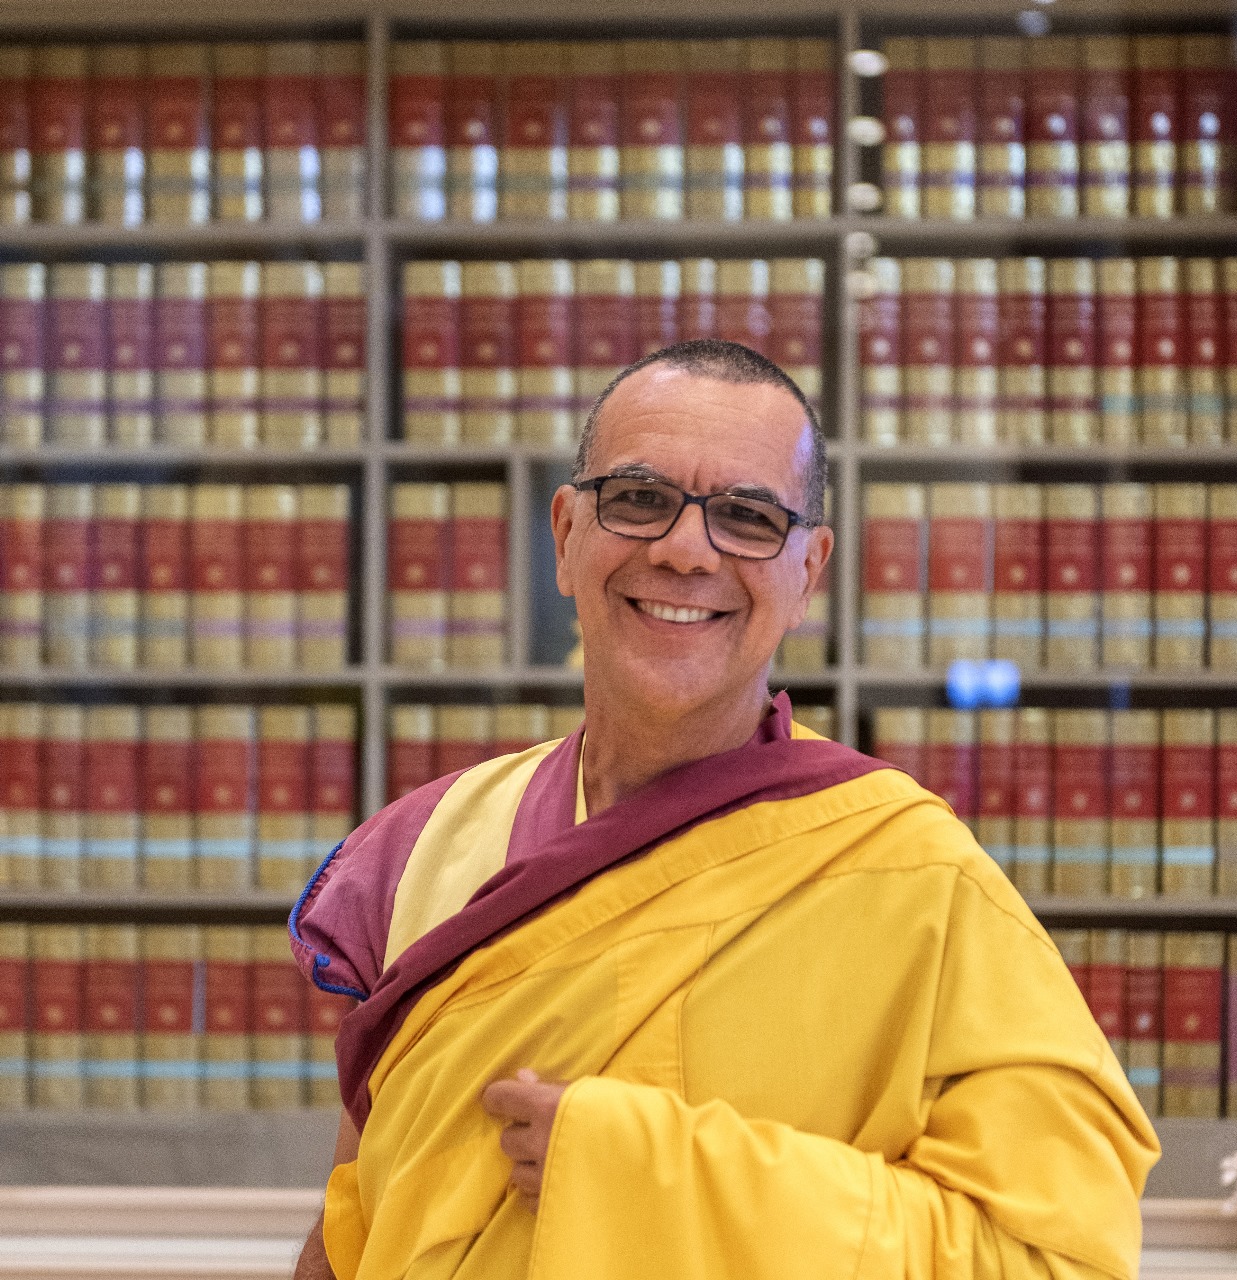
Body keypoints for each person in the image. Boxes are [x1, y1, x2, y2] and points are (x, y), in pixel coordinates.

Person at [291, 339, 1159, 1280]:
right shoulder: (426, 847)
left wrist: (645, 1170)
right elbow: (358, 1221)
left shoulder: (915, 879)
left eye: (746, 516)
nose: (683, 549)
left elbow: (1049, 1257)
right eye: (638, 498)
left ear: (808, 573)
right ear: (565, 536)